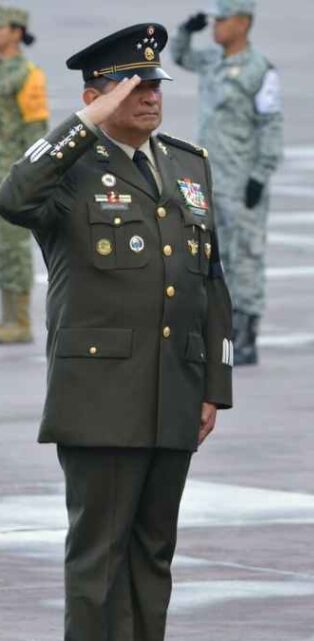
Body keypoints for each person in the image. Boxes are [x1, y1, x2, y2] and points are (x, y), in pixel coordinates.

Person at [0, 22, 233, 640]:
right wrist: (84, 126)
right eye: (132, 86)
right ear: (96, 97)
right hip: (101, 397)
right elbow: (13, 196)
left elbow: (209, 279)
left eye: (155, 83)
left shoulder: (187, 164)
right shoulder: (70, 169)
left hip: (174, 394)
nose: (150, 95)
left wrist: (213, 383)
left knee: (153, 559)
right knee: (98, 560)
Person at [173, 0, 283, 365]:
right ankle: (218, 330)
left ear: (242, 23)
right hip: (207, 179)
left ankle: (246, 333)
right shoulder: (211, 61)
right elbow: (181, 58)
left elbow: (271, 124)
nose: (215, 27)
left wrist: (260, 174)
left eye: (221, 20)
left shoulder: (260, 70)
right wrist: (185, 32)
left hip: (242, 179)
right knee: (209, 255)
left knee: (246, 255)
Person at [0, 5, 48, 344]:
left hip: (9, 175)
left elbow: (36, 132)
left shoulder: (28, 74)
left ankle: (19, 321)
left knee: (13, 247)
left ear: (16, 32)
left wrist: (33, 177)